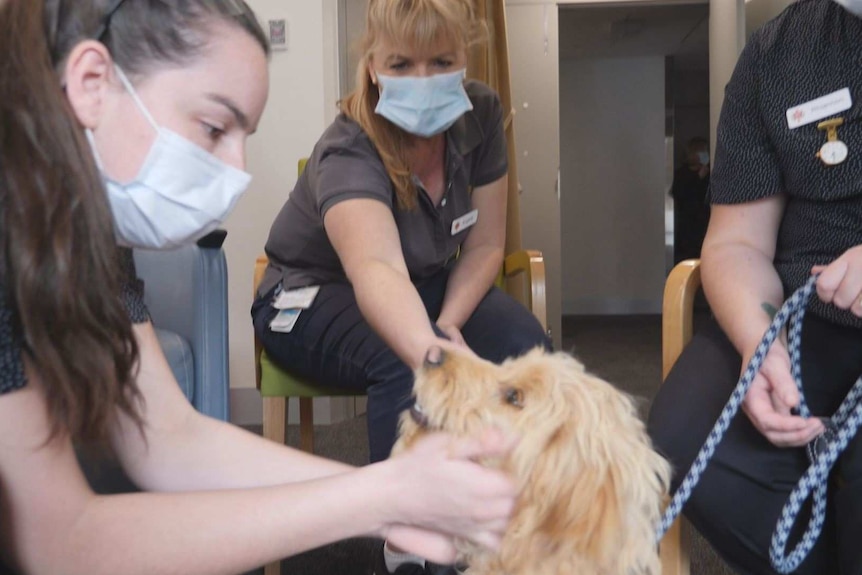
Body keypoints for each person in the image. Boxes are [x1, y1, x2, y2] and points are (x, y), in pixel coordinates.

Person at [0, 1, 521, 574]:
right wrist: (382, 499)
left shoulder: (90, 236)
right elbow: (60, 542)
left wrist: (395, 494)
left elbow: (172, 438)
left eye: (243, 135)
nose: (236, 170)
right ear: (92, 81)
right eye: (214, 127)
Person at [252, 0, 550, 571]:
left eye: (441, 60)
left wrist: (450, 323)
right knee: (404, 358)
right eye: (402, 63)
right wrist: (433, 351)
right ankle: (409, 543)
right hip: (305, 295)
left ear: (467, 56)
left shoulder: (481, 115)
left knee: (524, 344)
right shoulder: (349, 145)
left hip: (425, 287)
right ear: (371, 66)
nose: (424, 79)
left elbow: (486, 244)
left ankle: (518, 517)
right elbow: (377, 271)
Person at [649, 1, 862, 573]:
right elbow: (735, 244)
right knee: (686, 433)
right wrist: (757, 340)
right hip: (805, 312)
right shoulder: (776, 55)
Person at [670, 137, 711, 265]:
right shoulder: (681, 174)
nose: (704, 155)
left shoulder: (710, 173)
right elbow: (680, 193)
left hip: (705, 222)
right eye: (701, 152)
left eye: (706, 152)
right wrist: (698, 177)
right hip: (687, 224)